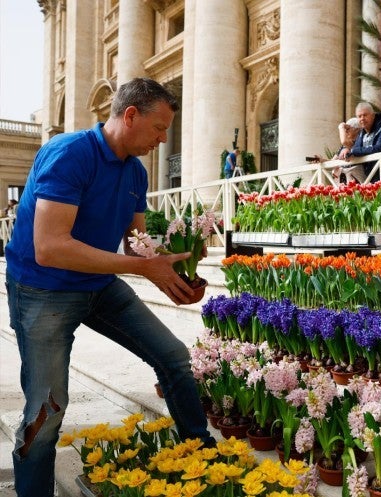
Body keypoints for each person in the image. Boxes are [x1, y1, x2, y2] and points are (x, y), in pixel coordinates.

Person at [4, 78, 216, 497]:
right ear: (130, 115)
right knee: (47, 411)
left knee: (174, 356)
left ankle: (206, 457)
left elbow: (137, 247)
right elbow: (50, 248)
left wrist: (178, 273)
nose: (162, 139)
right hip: (43, 290)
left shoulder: (136, 171)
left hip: (99, 286)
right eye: (158, 128)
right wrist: (143, 266)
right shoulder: (69, 154)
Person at [339, 101, 381, 182]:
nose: (362, 119)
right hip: (370, 178)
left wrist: (354, 151)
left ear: (373, 115)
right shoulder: (362, 133)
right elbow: (356, 148)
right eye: (359, 116)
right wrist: (347, 149)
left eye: (365, 115)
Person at [330, 117, 364, 183]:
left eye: (348, 128)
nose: (345, 131)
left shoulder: (359, 142)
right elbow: (332, 161)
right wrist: (321, 160)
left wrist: (341, 127)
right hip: (343, 180)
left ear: (357, 129)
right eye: (345, 129)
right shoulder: (344, 146)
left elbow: (344, 141)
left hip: (356, 180)